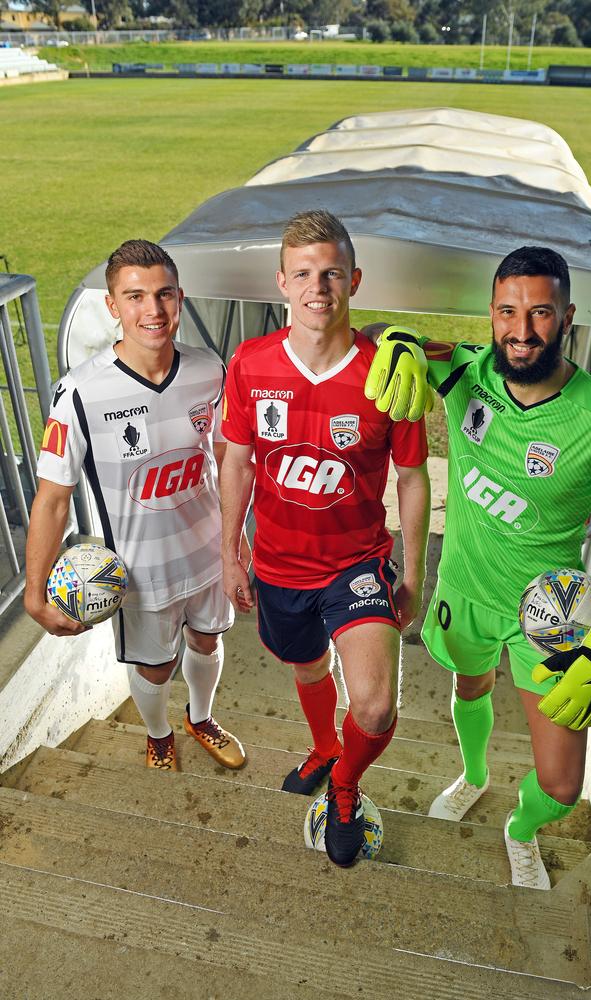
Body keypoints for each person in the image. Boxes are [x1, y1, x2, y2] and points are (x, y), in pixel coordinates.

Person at [364, 246, 591, 889]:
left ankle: (520, 829)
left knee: (562, 783)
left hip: (548, 617)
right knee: (470, 687)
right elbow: (378, 335)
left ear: (568, 316)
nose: (522, 332)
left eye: (541, 313)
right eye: (507, 312)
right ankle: (473, 775)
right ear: (490, 315)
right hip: (465, 587)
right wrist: (402, 339)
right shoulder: (466, 371)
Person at [219, 210, 431, 867]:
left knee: (372, 704)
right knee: (307, 665)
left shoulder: (388, 373)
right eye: (305, 274)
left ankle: (344, 786)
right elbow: (236, 460)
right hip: (280, 564)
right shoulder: (251, 365)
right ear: (282, 282)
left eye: (333, 273)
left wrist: (416, 574)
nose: (319, 287)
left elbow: (414, 477)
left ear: (354, 280)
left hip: (356, 563)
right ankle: (322, 746)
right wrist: (232, 549)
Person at [25, 239, 246, 774]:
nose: (153, 310)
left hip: (210, 553)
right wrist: (35, 595)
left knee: (209, 638)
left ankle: (200, 716)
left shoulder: (208, 370)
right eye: (136, 296)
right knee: (155, 666)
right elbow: (53, 500)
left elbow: (226, 457)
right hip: (140, 573)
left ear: (180, 297)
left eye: (164, 294)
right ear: (113, 305)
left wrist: (238, 544)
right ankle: (159, 733)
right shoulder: (77, 393)